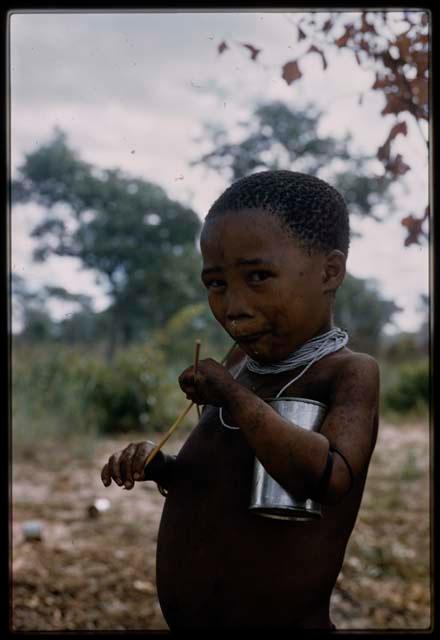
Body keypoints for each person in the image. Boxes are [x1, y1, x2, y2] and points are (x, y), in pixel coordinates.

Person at [100, 170, 380, 630]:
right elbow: (220, 475)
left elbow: (329, 477)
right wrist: (160, 467)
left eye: (258, 276)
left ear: (330, 272)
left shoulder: (348, 372)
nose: (234, 306)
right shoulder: (238, 364)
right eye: (216, 283)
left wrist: (233, 396)